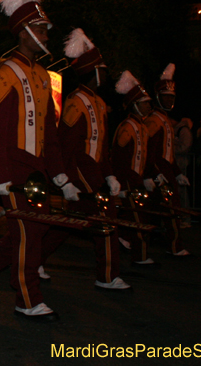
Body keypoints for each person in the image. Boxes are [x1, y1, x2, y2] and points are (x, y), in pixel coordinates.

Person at [0, 0, 79, 322]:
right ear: (24, 32)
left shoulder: (42, 75)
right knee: (29, 233)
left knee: (33, 231)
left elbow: (49, 134)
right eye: (40, 30)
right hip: (12, 169)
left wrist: (60, 175)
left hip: (36, 172)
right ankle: (27, 298)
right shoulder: (6, 72)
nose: (46, 36)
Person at [40, 29, 130, 290]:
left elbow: (101, 147)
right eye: (102, 70)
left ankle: (34, 260)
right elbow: (66, 145)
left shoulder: (99, 103)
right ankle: (107, 276)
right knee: (106, 222)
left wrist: (109, 174)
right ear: (93, 71)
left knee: (69, 224)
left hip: (94, 174)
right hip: (81, 173)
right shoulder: (75, 101)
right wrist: (68, 180)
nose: (106, 74)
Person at [111, 71, 160, 265]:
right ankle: (140, 256)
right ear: (135, 105)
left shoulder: (142, 127)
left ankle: (123, 239)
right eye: (145, 103)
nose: (149, 106)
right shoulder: (127, 127)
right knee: (138, 219)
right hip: (129, 181)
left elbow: (144, 157)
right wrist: (123, 184)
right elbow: (119, 158)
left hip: (137, 180)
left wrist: (148, 176)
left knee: (136, 216)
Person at [143, 64, 189, 256]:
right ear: (158, 97)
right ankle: (174, 246)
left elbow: (168, 153)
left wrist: (177, 173)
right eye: (166, 97)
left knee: (157, 212)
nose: (170, 100)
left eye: (172, 97)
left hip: (167, 173)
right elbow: (149, 152)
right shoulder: (154, 120)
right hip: (159, 174)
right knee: (170, 211)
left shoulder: (165, 120)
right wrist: (154, 173)